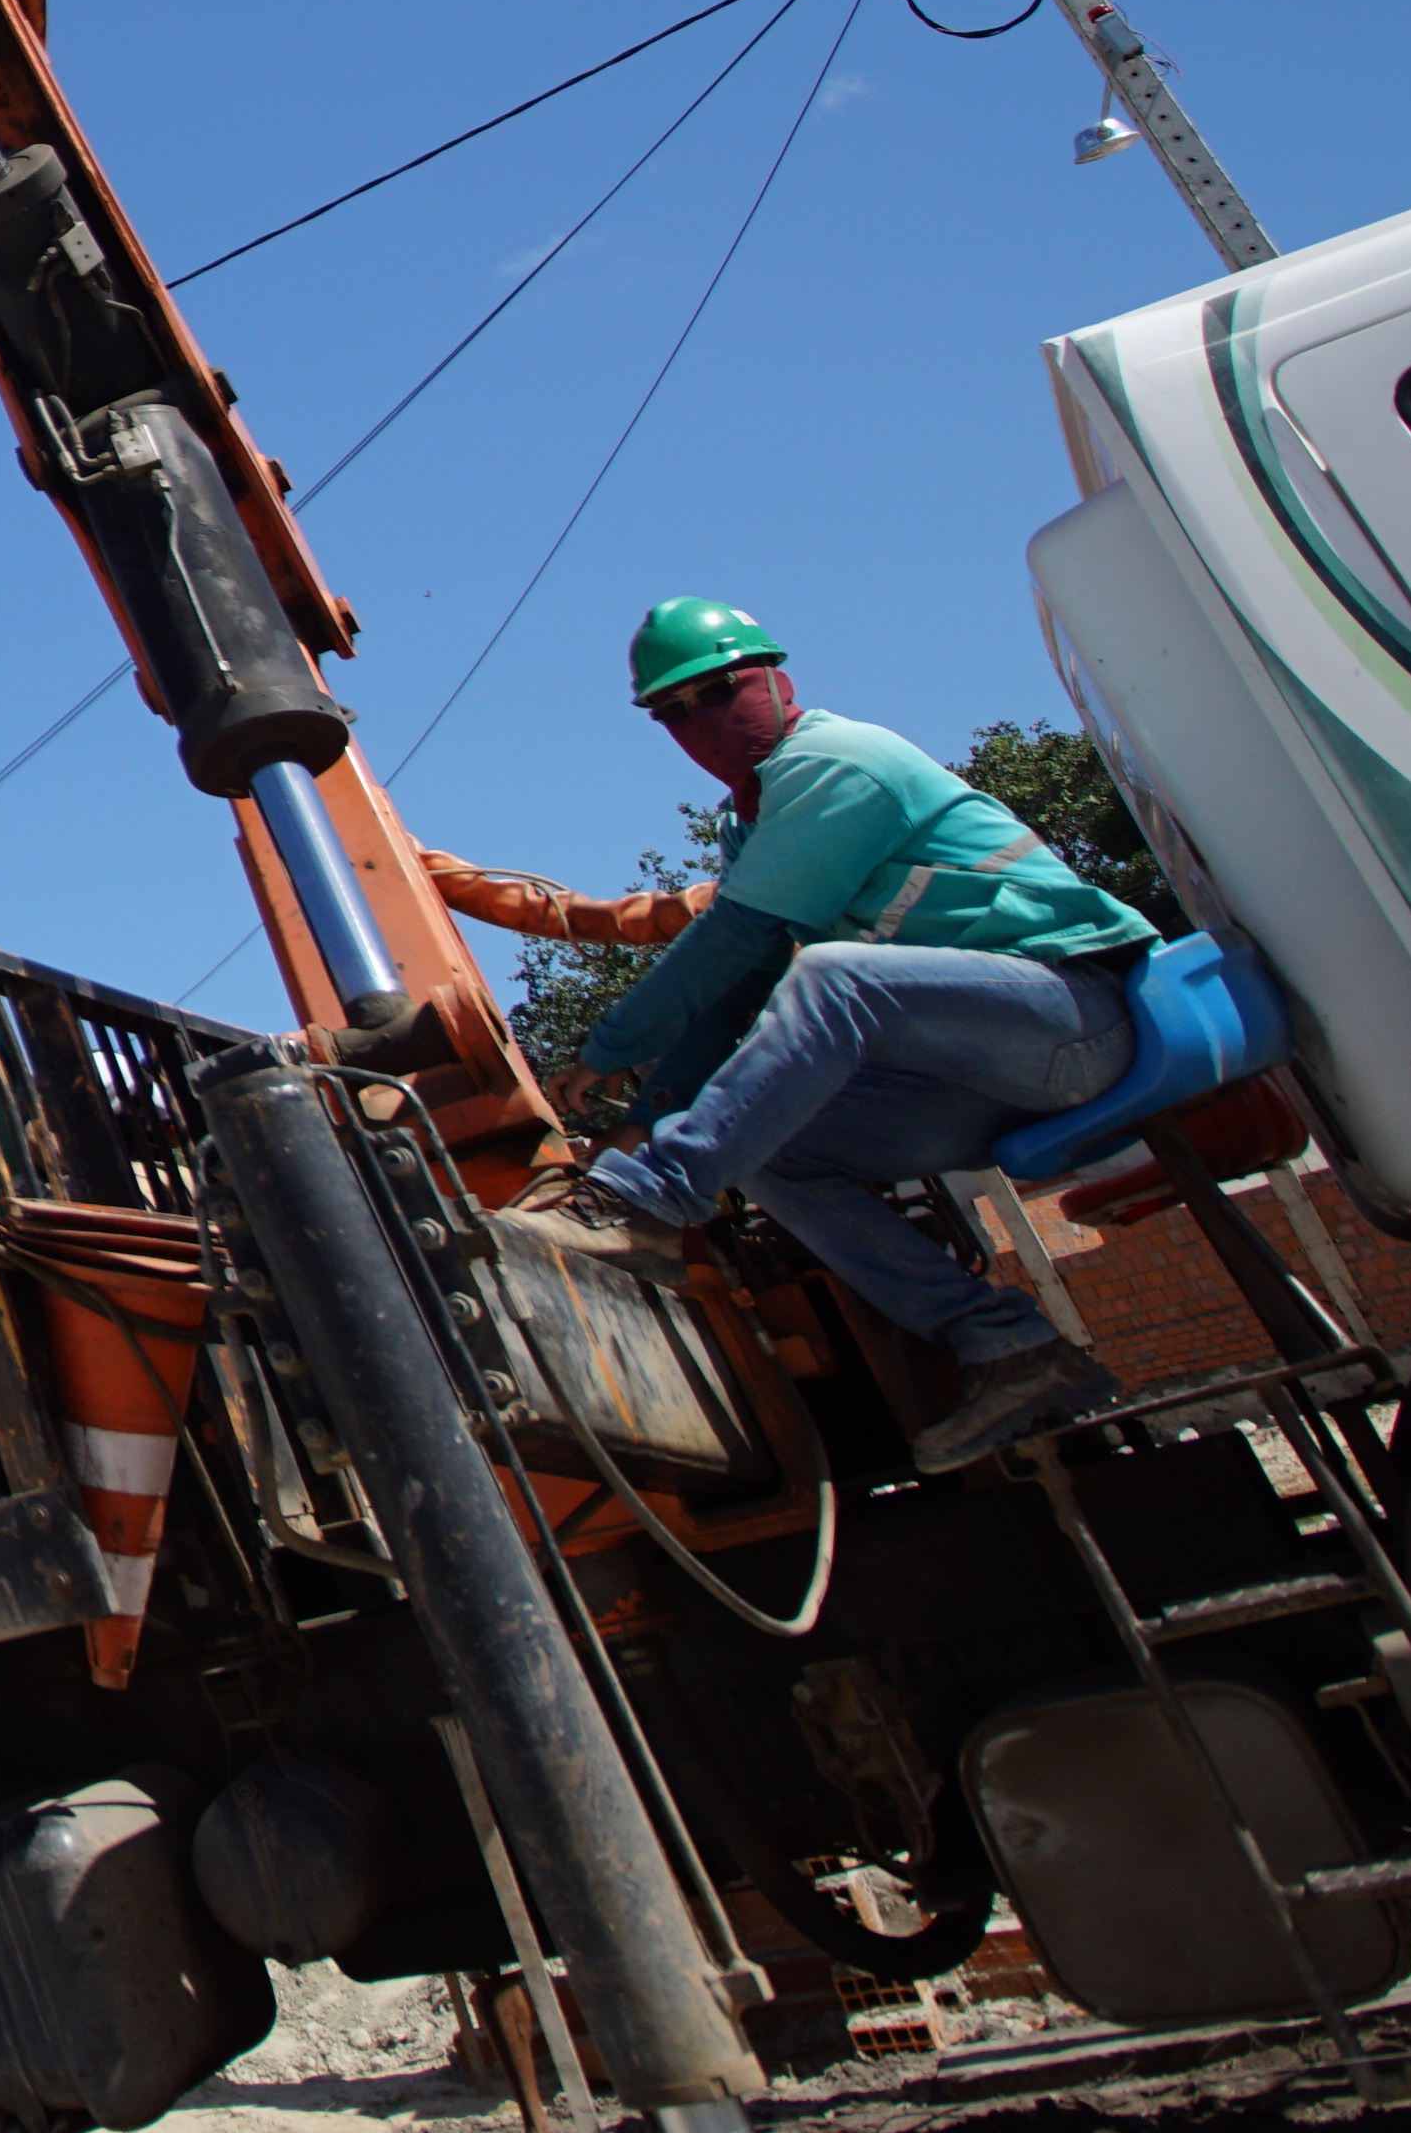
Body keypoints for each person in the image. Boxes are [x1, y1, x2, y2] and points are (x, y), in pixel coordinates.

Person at [453, 595, 1159, 1475]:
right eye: (671, 712)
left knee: (834, 978)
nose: (698, 721)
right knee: (771, 1149)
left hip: (1071, 1021)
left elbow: (738, 938)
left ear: (776, 679)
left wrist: (608, 1051)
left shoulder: (838, 763)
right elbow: (735, 988)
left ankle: (645, 1205)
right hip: (977, 1072)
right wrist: (649, 1112)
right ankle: (1012, 1348)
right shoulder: (752, 820)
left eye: (718, 691)